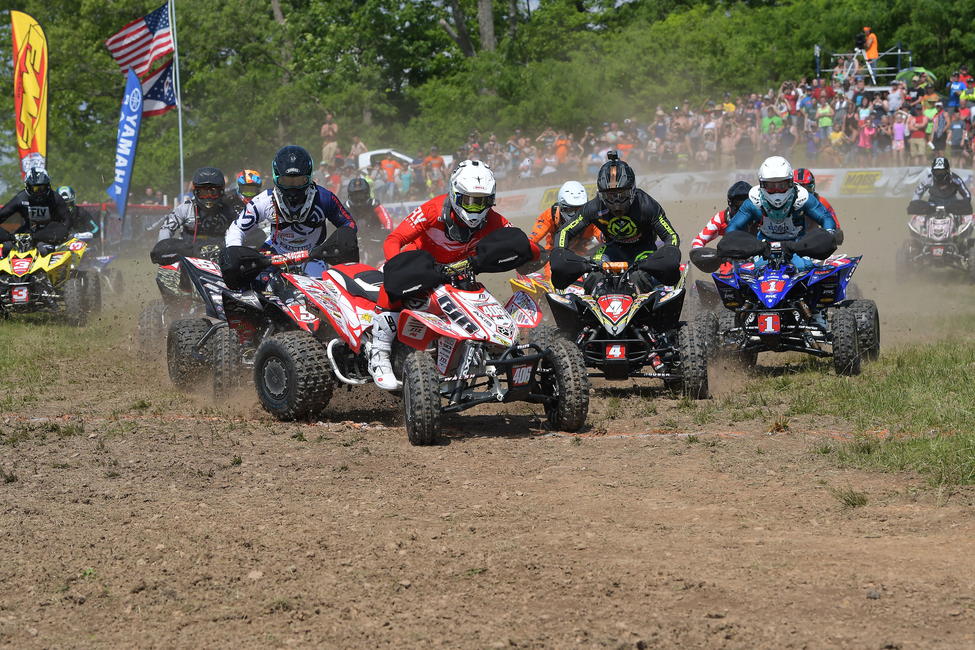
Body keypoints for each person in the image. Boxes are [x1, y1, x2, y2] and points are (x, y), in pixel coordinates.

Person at [370, 160, 540, 390]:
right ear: (455, 194)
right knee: (391, 289)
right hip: (422, 268)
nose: (475, 208)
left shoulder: (492, 219)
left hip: (459, 275)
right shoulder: (432, 210)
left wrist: (533, 253)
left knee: (481, 303)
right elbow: (394, 239)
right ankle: (379, 354)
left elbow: (523, 243)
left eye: (482, 201)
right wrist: (398, 266)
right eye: (469, 201)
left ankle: (491, 352)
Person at [554, 150, 680, 292]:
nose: (616, 203)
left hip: (644, 250)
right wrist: (560, 252)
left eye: (622, 195)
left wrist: (670, 253)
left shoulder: (646, 205)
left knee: (640, 277)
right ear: (600, 194)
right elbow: (565, 231)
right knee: (593, 276)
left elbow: (671, 236)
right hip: (611, 249)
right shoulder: (594, 207)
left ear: (633, 190)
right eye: (610, 196)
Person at [225, 145, 356, 278]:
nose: (293, 188)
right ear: (276, 177)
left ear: (308, 177)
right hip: (274, 253)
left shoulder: (325, 198)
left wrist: (344, 241)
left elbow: (348, 223)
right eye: (286, 181)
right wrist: (234, 251)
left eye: (299, 181)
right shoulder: (264, 200)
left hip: (314, 255)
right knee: (254, 282)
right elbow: (237, 228)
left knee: (321, 286)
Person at [725, 156, 836, 244]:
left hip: (799, 248)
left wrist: (829, 234)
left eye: (782, 185)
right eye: (771, 186)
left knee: (807, 264)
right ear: (762, 185)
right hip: (763, 250)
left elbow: (825, 217)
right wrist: (731, 242)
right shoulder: (753, 201)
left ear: (791, 182)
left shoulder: (802, 197)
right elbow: (733, 226)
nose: (777, 191)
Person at [528, 181, 600, 277]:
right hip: (554, 255)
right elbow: (532, 239)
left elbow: (604, 237)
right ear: (561, 207)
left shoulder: (592, 216)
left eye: (580, 209)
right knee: (553, 279)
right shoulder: (549, 216)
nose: (576, 214)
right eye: (571, 210)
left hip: (583, 255)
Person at [158, 167, 240, 244]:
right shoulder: (186, 208)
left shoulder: (229, 210)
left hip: (222, 252)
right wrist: (164, 246)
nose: (208, 197)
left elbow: (242, 230)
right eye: (204, 192)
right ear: (195, 192)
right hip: (189, 252)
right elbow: (166, 228)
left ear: (221, 191)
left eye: (213, 192)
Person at [0, 168, 71, 245]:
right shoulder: (21, 198)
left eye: (42, 188)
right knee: (7, 246)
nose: (39, 192)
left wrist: (60, 233)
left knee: (46, 245)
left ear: (48, 186)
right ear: (28, 187)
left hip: (50, 233)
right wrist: (9, 237)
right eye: (36, 189)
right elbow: (2, 214)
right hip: (26, 233)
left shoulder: (56, 198)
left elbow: (67, 220)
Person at [691, 181, 752, 249]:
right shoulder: (720, 218)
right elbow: (698, 240)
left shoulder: (759, 216)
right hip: (733, 253)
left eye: (747, 204)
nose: (743, 208)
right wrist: (701, 253)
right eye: (739, 204)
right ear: (730, 204)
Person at [345, 176, 393, 260]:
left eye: (361, 194)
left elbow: (388, 221)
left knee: (387, 256)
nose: (359, 198)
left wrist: (387, 233)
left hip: (374, 238)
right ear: (350, 195)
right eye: (355, 195)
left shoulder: (374, 204)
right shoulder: (345, 207)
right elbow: (335, 227)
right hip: (353, 240)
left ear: (367, 193)